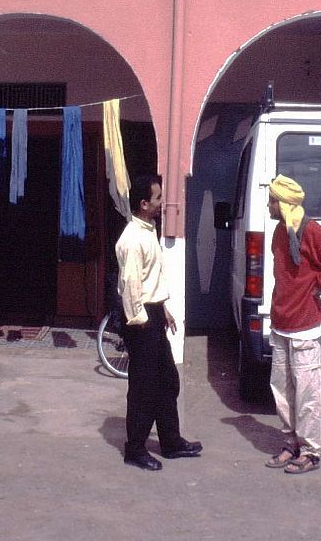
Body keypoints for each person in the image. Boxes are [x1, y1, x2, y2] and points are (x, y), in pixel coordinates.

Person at [264, 174, 321, 474]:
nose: (269, 205)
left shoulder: (311, 230)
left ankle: (311, 452)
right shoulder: (280, 231)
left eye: (272, 201)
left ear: (284, 203)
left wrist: (320, 284)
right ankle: (291, 444)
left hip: (304, 326)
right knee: (283, 392)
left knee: (307, 395)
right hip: (281, 324)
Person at [116, 174, 202, 471]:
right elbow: (130, 284)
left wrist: (162, 307)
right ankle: (135, 449)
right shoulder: (132, 239)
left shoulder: (148, 230)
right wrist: (140, 321)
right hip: (140, 320)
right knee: (143, 387)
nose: (161, 203)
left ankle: (171, 441)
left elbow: (149, 278)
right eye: (157, 199)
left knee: (167, 380)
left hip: (152, 313)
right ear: (143, 204)